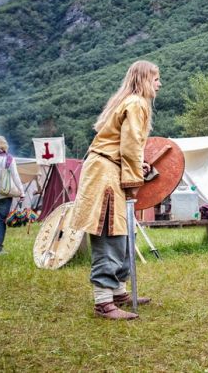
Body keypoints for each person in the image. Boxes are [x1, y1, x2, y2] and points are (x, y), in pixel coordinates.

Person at [71, 60, 161, 320]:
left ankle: (119, 291)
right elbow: (130, 146)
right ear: (144, 79)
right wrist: (134, 181)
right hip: (106, 175)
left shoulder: (129, 102)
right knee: (109, 233)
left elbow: (125, 145)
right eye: (156, 78)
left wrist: (136, 166)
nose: (159, 83)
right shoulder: (136, 103)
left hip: (109, 169)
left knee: (121, 231)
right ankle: (103, 302)